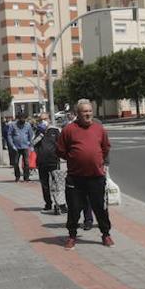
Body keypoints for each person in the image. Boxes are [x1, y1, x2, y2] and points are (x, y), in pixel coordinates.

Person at [56, 99, 112, 248]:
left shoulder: (99, 129)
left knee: (100, 208)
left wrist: (100, 161)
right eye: (84, 112)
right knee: (74, 208)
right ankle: (72, 236)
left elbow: (105, 148)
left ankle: (106, 234)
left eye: (89, 111)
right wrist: (74, 157)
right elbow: (61, 150)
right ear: (77, 114)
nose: (88, 114)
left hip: (96, 177)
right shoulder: (69, 130)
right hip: (76, 178)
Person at [33, 119, 61, 212]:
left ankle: (58, 203)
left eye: (45, 119)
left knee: (56, 183)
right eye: (41, 120)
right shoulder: (38, 131)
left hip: (53, 161)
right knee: (45, 184)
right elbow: (33, 144)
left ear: (49, 120)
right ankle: (48, 203)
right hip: (42, 162)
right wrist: (40, 134)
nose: (43, 121)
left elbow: (61, 144)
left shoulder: (55, 131)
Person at [6, 114, 34, 181]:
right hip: (16, 147)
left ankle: (26, 177)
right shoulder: (13, 125)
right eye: (21, 118)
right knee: (15, 162)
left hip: (25, 146)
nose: (23, 120)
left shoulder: (27, 125)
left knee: (26, 163)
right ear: (18, 119)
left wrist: (31, 145)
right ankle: (17, 176)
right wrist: (12, 145)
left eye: (24, 119)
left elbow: (31, 135)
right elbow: (9, 135)